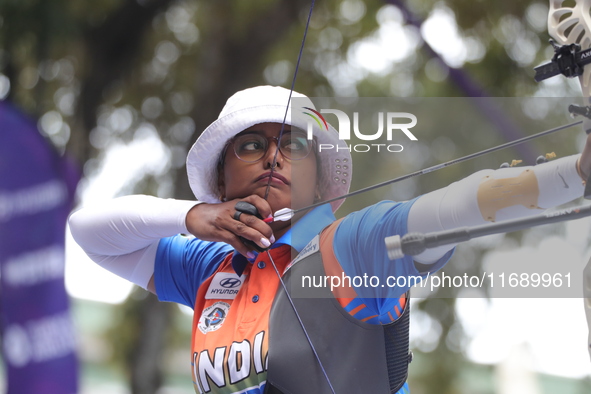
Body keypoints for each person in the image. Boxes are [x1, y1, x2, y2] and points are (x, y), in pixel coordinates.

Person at [69, 86, 591, 394]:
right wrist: (191, 216)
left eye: (293, 145)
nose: (273, 157)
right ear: (221, 180)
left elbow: (451, 207)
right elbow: (89, 232)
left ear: (321, 182)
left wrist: (577, 173)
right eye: (251, 145)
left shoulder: (348, 248)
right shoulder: (211, 267)